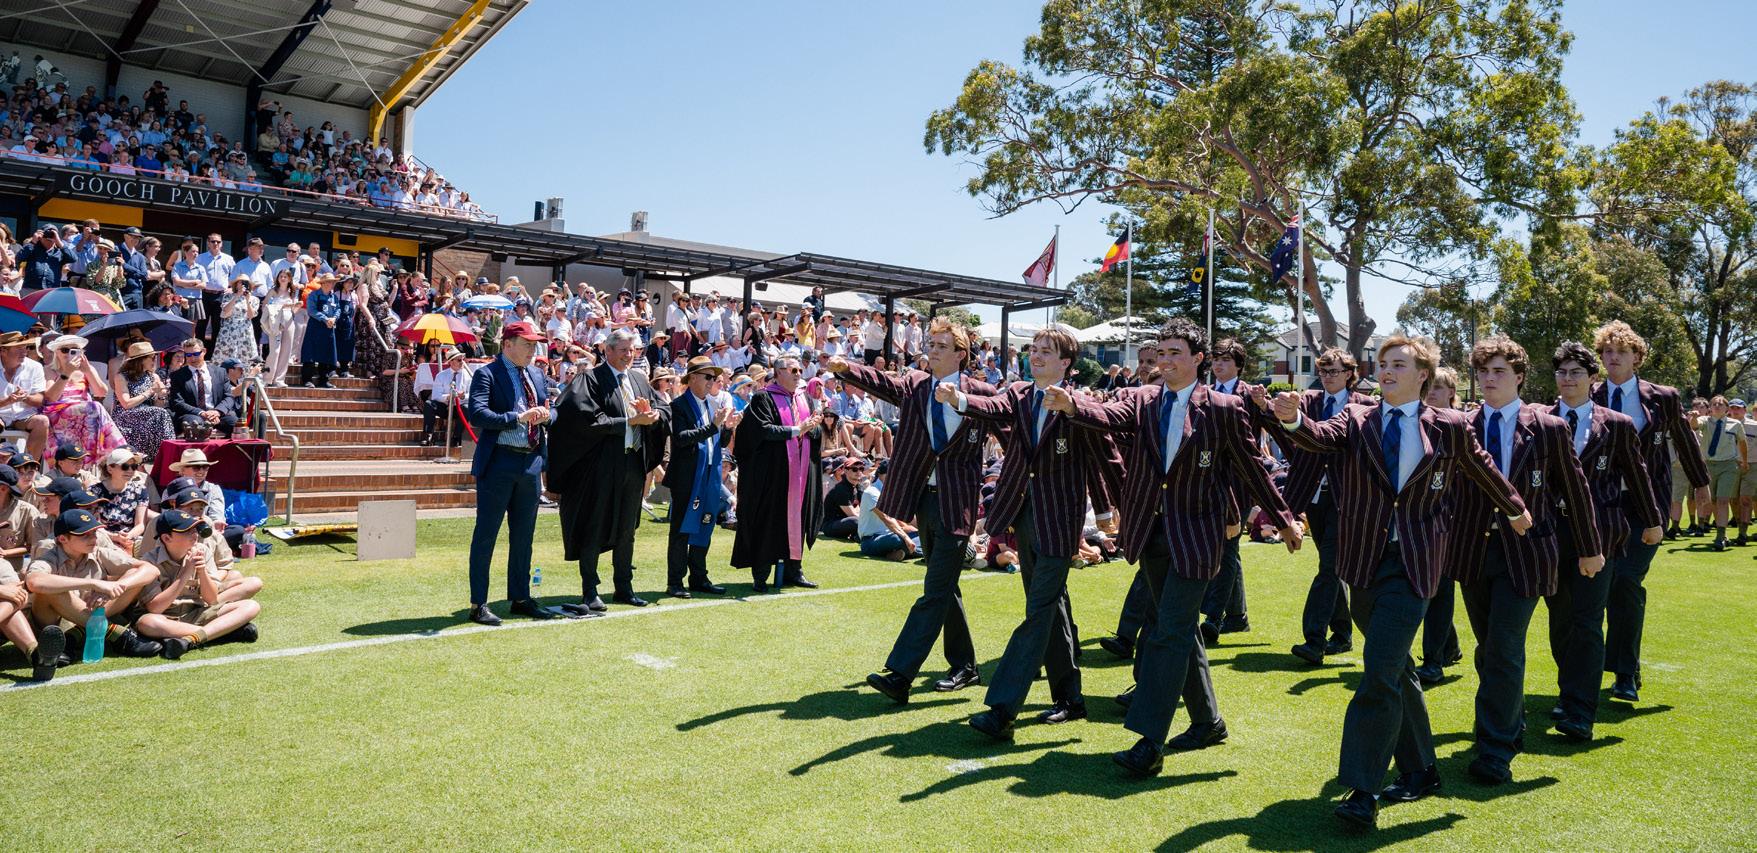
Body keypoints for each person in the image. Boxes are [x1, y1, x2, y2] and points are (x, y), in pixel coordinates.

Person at [1266, 334, 1530, 829]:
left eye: (1399, 364)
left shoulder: (1449, 425)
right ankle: (1421, 769)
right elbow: (1317, 438)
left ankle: (1362, 789)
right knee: (1396, 670)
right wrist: (1293, 419)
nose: (1386, 371)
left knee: (1379, 670)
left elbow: (1481, 466)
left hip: (1415, 566)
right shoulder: (1357, 417)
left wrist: (1514, 508)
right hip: (1364, 564)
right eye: (1383, 363)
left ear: (1422, 375)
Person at [1045, 319, 1299, 775]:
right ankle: (1207, 722)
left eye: (1174, 352)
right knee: (1180, 631)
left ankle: (1149, 742)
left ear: (1198, 358)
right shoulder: (1143, 399)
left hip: (1198, 538)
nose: (1165, 361)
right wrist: (1072, 403)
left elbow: (1252, 469)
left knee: (1168, 633)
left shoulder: (1224, 409)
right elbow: (1108, 415)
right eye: (1161, 353)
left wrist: (1283, 518)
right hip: (1151, 533)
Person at [950, 325, 1120, 738]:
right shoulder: (1019, 393)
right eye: (1034, 349)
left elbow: (1104, 458)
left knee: (1039, 609)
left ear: (1066, 363)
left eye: (1047, 351)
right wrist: (959, 399)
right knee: (1049, 606)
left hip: (1060, 520)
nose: (1037, 356)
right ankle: (1070, 698)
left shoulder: (1079, 406)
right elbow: (990, 406)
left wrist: (1106, 510)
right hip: (1023, 515)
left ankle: (1002, 708)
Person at [1444, 336, 1601, 785]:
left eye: (1499, 371)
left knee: (1504, 647)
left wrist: (1590, 548)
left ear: (1519, 377)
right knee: (1488, 648)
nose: (1488, 380)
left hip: (1528, 553)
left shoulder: (1548, 428)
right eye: (1482, 372)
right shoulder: (1459, 425)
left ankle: (1495, 749)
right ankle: (1507, 721)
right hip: (1474, 553)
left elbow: (1575, 490)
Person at [831, 318, 998, 703]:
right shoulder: (917, 385)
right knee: (944, 586)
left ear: (960, 354)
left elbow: (1009, 424)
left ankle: (901, 674)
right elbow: (882, 383)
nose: (932, 351)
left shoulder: (981, 393)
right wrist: (847, 368)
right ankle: (966, 666)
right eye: (930, 344)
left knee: (935, 589)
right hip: (925, 500)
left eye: (941, 346)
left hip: (958, 504)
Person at [1542, 341, 1662, 742]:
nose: (1568, 379)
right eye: (1562, 372)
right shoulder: (1539, 420)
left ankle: (1581, 710)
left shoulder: (1617, 424)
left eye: (1576, 372)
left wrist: (1652, 521)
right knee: (1561, 618)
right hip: (1551, 535)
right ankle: (1567, 690)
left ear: (1592, 378)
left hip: (1600, 534)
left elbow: (1638, 475)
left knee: (1588, 621)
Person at [1590, 320, 1709, 703]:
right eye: (1607, 351)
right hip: (1602, 506)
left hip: (1647, 506)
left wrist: (1701, 484)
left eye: (1621, 352)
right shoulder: (1590, 395)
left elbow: (1685, 440)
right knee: (1601, 587)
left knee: (1627, 581)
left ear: (1637, 357)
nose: (1613, 357)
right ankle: (1590, 673)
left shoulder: (1663, 397)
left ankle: (1625, 673)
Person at [550, 328, 668, 612]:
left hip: (632, 464)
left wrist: (654, 416)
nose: (629, 355)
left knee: (627, 528)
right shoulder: (590, 379)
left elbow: (664, 410)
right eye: (624, 350)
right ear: (608, 350)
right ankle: (590, 590)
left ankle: (624, 587)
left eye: (633, 350)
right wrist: (630, 422)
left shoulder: (638, 379)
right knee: (594, 524)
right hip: (599, 466)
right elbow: (582, 419)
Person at [462, 321, 565, 625]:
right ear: (507, 344)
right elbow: (477, 413)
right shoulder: (487, 373)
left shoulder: (536, 374)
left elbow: (552, 409)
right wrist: (518, 417)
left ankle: (520, 597)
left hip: (530, 462)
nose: (533, 350)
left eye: (535, 344)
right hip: (499, 462)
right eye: (527, 344)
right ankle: (478, 603)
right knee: (486, 535)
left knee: (524, 536)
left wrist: (547, 416)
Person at [1283, 348, 1378, 666]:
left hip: (1347, 498)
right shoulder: (1308, 401)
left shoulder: (1365, 405)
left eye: (1333, 371)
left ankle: (1314, 640)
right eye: (1323, 371)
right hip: (1314, 497)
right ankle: (1342, 634)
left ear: (1349, 374)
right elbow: (1285, 428)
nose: (1326, 377)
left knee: (1328, 568)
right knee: (1332, 567)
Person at [731, 355, 824, 592]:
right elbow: (762, 431)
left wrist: (812, 428)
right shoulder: (763, 398)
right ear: (778, 372)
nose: (798, 374)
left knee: (797, 520)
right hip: (772, 475)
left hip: (800, 474)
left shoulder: (805, 398)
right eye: (793, 370)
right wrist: (797, 430)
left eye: (800, 370)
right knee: (768, 522)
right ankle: (761, 574)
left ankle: (794, 570)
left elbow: (815, 432)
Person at [25, 507, 164, 659]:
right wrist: (92, 583)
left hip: (91, 615)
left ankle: (76, 635)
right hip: (55, 626)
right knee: (51, 589)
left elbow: (151, 569)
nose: (93, 539)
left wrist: (117, 586)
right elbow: (34, 581)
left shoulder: (98, 553)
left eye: (94, 533)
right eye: (85, 535)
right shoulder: (49, 557)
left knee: (133, 574)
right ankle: (115, 634)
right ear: (63, 539)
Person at [1200, 337, 1267, 645]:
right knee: (1229, 549)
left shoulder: (1250, 395)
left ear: (1239, 365)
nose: (1218, 364)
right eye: (1216, 359)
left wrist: (1264, 404)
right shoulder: (1203, 393)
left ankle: (1213, 618)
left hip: (1239, 483)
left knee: (1226, 547)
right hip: (1209, 479)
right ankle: (1238, 616)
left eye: (1225, 360)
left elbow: (1265, 431)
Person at [132, 509, 261, 659]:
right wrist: (186, 573)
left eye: (194, 529)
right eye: (186, 531)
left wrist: (202, 571)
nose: (194, 534)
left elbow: (211, 599)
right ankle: (221, 632)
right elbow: (155, 608)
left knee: (251, 606)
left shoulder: (202, 551)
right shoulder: (149, 561)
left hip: (197, 612)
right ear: (167, 538)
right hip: (166, 618)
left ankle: (190, 638)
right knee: (147, 623)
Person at [663, 356, 735, 598]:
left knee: (705, 525)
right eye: (708, 377)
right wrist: (713, 427)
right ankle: (675, 581)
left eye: (714, 378)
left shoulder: (710, 405)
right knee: (681, 531)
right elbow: (681, 438)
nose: (712, 382)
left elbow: (719, 443)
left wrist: (727, 428)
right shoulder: (679, 405)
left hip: (708, 477)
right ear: (692, 378)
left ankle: (699, 577)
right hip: (687, 478)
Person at [1414, 366, 1464, 685]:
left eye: (1439, 387)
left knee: (1440, 589)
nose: (1432, 392)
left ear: (1452, 393)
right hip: (1422, 519)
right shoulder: (1418, 423)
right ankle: (1449, 646)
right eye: (1429, 386)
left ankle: (1433, 660)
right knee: (1432, 588)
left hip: (1453, 519)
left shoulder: (1462, 426)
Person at [41, 335, 127, 462]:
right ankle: (119, 451)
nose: (69, 353)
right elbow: (51, 397)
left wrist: (88, 371)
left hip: (85, 414)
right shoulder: (49, 370)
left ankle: (103, 457)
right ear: (56, 352)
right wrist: (66, 373)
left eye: (74, 350)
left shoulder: (86, 369)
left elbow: (101, 392)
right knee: (95, 407)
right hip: (58, 413)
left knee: (93, 411)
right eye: (65, 350)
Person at [108, 340, 174, 465]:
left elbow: (158, 406)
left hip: (149, 414)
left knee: (162, 412)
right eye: (152, 357)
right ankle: (167, 454)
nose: (155, 360)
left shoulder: (153, 377)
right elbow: (126, 404)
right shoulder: (121, 377)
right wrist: (150, 391)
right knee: (161, 414)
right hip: (126, 415)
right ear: (141, 360)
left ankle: (164, 454)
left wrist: (161, 396)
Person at [1697, 396, 1748, 550]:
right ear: (1710, 408)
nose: (1717, 406)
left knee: (1723, 500)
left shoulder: (1736, 424)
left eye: (1721, 404)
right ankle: (1722, 533)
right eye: (1714, 404)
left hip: (1728, 465)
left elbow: (1743, 442)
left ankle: (1720, 536)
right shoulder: (1704, 420)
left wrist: (1744, 461)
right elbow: (1694, 425)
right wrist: (1692, 418)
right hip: (1708, 466)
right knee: (1712, 501)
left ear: (1726, 409)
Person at [168, 340, 238, 438]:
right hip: (193, 415)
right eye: (188, 355)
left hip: (217, 414)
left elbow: (229, 397)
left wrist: (217, 412)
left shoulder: (220, 372)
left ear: (204, 351)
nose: (192, 358)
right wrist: (201, 413)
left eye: (196, 354)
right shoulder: (177, 376)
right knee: (196, 425)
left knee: (237, 426)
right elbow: (177, 402)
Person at [0, 331, 49, 459]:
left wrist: (25, 398)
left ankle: (30, 465)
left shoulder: (35, 367)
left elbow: (40, 399)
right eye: (19, 348)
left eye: (25, 347)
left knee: (42, 421)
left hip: (23, 417)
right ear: (3, 351)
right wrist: (8, 401)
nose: (24, 352)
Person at [90, 448, 149, 554]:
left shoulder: (140, 490)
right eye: (125, 466)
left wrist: (128, 536)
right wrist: (114, 537)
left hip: (129, 539)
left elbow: (140, 525)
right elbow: (94, 525)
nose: (130, 470)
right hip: (102, 539)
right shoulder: (94, 492)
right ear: (110, 469)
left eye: (134, 466)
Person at [423, 349, 473, 447]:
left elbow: (472, 394)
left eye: (462, 359)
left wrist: (463, 396)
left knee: (467, 408)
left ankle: (456, 437)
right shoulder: (441, 375)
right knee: (429, 404)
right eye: (459, 360)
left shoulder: (468, 376)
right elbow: (436, 395)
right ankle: (428, 435)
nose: (462, 362)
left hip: (459, 408)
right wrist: (448, 397)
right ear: (451, 362)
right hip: (445, 407)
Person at [261, 268, 300, 387]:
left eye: (285, 277)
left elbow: (294, 309)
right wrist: (281, 306)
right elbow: (265, 307)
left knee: (286, 351)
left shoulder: (292, 292)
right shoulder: (273, 291)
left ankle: (279, 379)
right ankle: (267, 378)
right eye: (281, 276)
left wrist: (296, 307)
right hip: (276, 322)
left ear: (289, 279)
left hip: (289, 321)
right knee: (275, 350)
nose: (282, 278)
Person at [300, 274, 340, 388]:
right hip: (315, 327)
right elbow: (311, 310)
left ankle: (324, 380)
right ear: (322, 283)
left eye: (332, 282)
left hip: (328, 328)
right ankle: (307, 379)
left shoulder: (334, 297)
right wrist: (325, 319)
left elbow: (338, 309)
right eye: (328, 282)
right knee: (310, 353)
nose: (330, 284)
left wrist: (334, 318)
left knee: (326, 353)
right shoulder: (314, 295)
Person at [215, 274, 259, 366]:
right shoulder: (228, 296)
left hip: (245, 330)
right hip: (229, 329)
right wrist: (236, 296)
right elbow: (225, 310)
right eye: (240, 282)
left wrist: (247, 300)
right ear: (236, 284)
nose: (242, 284)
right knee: (226, 354)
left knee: (246, 354)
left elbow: (251, 316)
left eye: (245, 282)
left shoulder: (254, 299)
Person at [820, 459, 865, 542]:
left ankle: (858, 536)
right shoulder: (841, 489)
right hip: (831, 526)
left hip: (846, 522)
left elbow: (865, 509)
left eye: (861, 469)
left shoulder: (859, 487)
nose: (859, 472)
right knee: (856, 521)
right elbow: (852, 514)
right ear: (846, 471)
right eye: (854, 469)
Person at [334, 275, 359, 378]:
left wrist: (351, 322)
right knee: (336, 345)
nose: (350, 284)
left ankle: (344, 369)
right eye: (348, 282)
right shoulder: (336, 294)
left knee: (348, 346)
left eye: (351, 282)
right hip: (337, 324)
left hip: (349, 325)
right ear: (342, 283)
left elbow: (355, 310)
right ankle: (332, 369)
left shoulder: (354, 296)